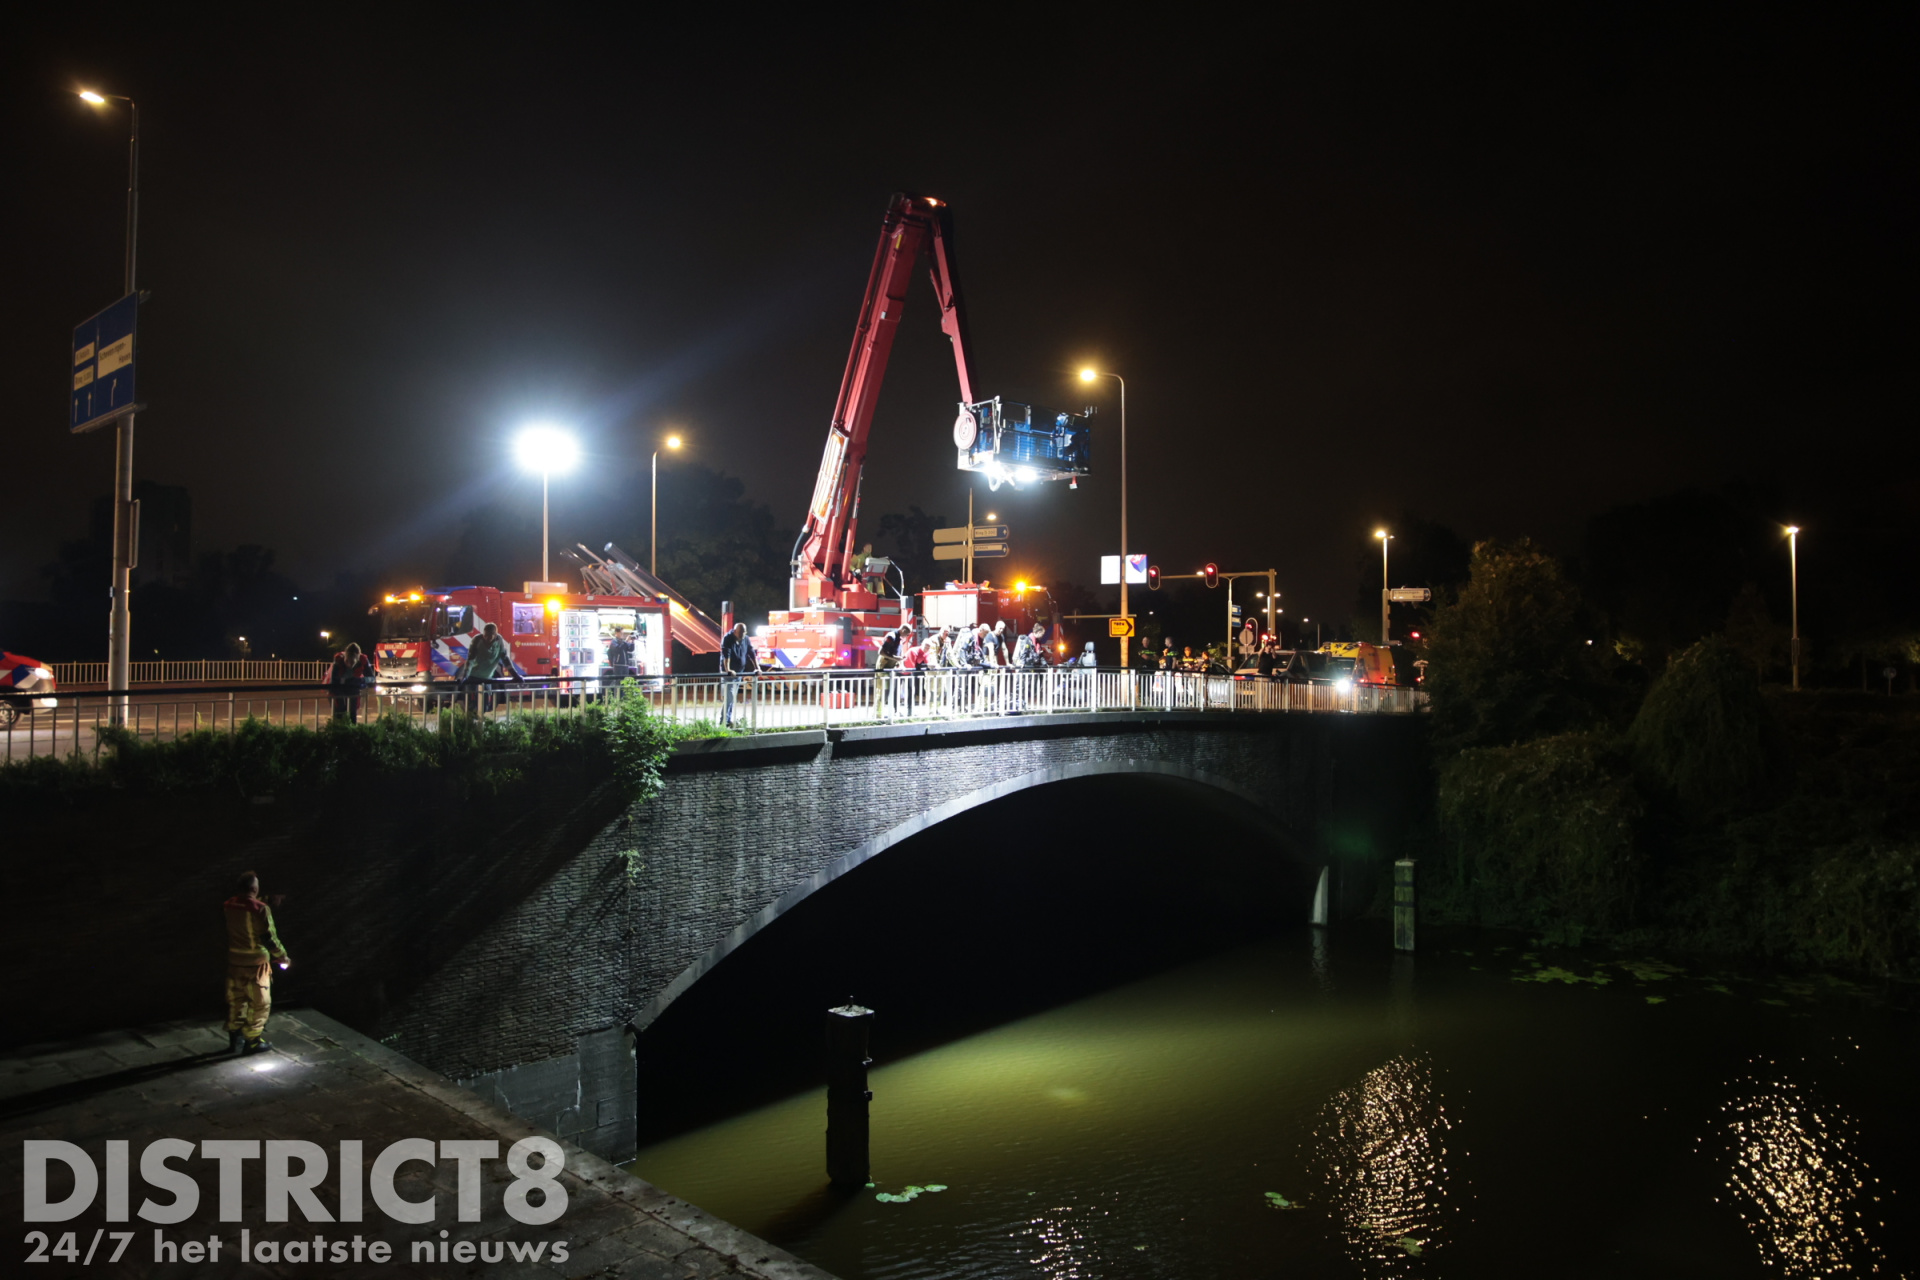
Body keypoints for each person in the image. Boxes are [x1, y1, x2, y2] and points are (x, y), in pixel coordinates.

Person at [223, 870, 290, 1055]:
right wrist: (283, 957)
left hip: (235, 962)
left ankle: (235, 1038)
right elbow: (268, 937)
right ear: (254, 887)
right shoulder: (260, 909)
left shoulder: (229, 904)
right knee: (260, 1003)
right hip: (256, 964)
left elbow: (246, 905)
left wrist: (268, 898)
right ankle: (252, 1041)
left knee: (237, 1000)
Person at [459, 622, 521, 713]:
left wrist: (515, 675)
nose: (487, 638)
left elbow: (505, 659)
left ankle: (482, 722)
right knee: (472, 705)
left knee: (485, 705)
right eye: (485, 636)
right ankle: (471, 721)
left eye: (490, 636)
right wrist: (465, 675)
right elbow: (470, 660)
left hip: (487, 678)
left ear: (495, 635)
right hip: (473, 677)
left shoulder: (499, 640)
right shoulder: (477, 640)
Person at [326, 642, 374, 723]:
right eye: (347, 661)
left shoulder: (363, 659)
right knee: (339, 714)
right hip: (337, 690)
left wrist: (359, 680)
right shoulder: (338, 659)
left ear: (358, 658)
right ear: (345, 657)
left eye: (352, 663)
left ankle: (352, 731)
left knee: (352, 714)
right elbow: (333, 682)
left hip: (353, 689)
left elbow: (372, 679)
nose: (349, 665)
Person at [721, 622, 755, 726]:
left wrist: (757, 668)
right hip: (729, 674)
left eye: (743, 633)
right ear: (735, 631)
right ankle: (723, 722)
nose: (741, 636)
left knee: (732, 698)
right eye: (740, 633)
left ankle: (727, 720)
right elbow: (726, 654)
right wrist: (728, 670)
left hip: (739, 672)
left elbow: (751, 653)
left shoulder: (746, 638)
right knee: (729, 697)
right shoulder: (728, 638)